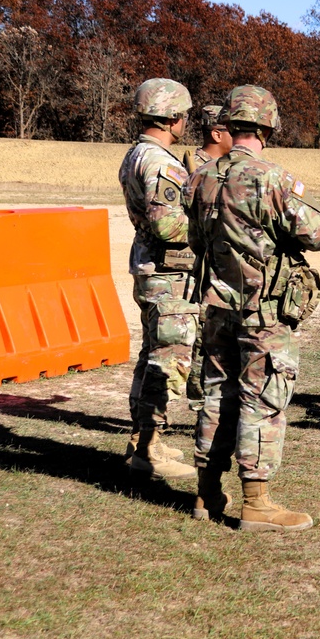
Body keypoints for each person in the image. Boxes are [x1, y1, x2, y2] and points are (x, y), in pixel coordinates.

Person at [186, 85, 320, 532]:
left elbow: (194, 241)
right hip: (263, 314)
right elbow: (317, 234)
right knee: (263, 400)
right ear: (268, 126)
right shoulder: (272, 178)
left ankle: (206, 494)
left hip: (217, 308)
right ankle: (256, 503)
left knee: (215, 396)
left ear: (229, 123)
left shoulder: (201, 176)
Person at [118, 77, 199, 480]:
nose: (186, 122)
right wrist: (208, 224)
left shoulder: (135, 155)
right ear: (170, 118)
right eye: (183, 115)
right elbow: (168, 225)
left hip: (151, 270)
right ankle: (148, 450)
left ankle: (144, 438)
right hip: (168, 274)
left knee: (152, 355)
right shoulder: (161, 162)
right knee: (168, 361)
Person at [184, 105, 233, 412]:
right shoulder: (195, 168)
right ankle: (199, 393)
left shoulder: (231, 166)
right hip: (203, 265)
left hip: (225, 263)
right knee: (203, 332)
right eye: (231, 130)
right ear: (216, 133)